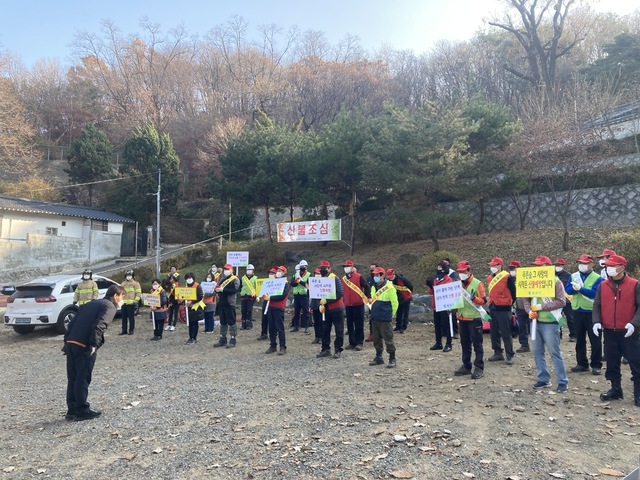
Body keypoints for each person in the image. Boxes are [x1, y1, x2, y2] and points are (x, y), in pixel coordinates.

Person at [63, 285, 125, 421]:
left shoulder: (91, 303)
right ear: (116, 296)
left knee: (72, 378)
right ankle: (82, 410)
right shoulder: (109, 306)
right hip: (84, 345)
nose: (122, 301)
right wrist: (93, 345)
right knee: (82, 377)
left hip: (71, 343)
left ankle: (71, 410)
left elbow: (72, 323)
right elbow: (99, 325)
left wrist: (66, 341)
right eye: (122, 297)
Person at [592, 254, 640, 406]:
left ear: (622, 267)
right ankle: (616, 389)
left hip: (628, 332)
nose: (608, 269)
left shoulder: (635, 285)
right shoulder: (603, 285)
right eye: (607, 266)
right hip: (609, 331)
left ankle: (638, 393)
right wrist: (596, 321)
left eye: (612, 266)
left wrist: (634, 323)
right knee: (612, 362)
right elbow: (597, 305)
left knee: (635, 362)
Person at [524, 256, 569, 393]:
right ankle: (543, 378)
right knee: (537, 351)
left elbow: (562, 302)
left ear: (548, 267)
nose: (537, 269)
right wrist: (529, 311)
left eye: (540, 266)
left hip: (550, 322)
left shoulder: (556, 282)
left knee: (555, 352)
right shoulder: (530, 281)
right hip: (535, 322)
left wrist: (541, 306)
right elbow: (525, 299)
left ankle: (562, 381)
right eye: (536, 266)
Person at [565, 254, 603, 376]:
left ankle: (596, 365)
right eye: (580, 263)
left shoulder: (598, 278)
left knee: (595, 340)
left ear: (591, 264)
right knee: (579, 339)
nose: (581, 265)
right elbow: (568, 290)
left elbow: (594, 294)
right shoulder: (574, 276)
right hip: (577, 311)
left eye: (584, 263)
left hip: (592, 312)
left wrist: (580, 289)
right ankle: (581, 363)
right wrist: (574, 289)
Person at [453, 261, 486, 379]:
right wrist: (451, 307)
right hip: (462, 317)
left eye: (463, 272)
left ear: (469, 271)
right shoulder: (457, 285)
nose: (461, 274)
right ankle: (466, 365)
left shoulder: (478, 284)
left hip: (474, 318)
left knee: (477, 343)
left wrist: (475, 299)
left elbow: (483, 301)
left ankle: (479, 367)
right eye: (459, 272)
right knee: (465, 343)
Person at [486, 257, 517, 365]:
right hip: (493, 306)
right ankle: (497, 352)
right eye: (491, 266)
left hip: (504, 308)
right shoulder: (490, 278)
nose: (492, 268)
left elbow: (514, 292)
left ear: (500, 266)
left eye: (494, 265)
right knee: (493, 332)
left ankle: (509, 354)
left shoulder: (507, 277)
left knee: (505, 332)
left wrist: (508, 302)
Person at [368, 267, 399, 368]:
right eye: (374, 275)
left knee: (388, 338)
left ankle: (392, 358)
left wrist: (392, 314)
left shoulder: (389, 287)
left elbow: (395, 302)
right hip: (375, 316)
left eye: (377, 275)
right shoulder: (373, 287)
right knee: (376, 339)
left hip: (385, 316)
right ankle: (379, 357)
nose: (375, 277)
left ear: (382, 275)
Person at [316, 260, 345, 359]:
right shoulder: (319, 280)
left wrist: (327, 300)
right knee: (325, 329)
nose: (322, 270)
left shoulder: (335, 278)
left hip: (336, 308)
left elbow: (340, 293)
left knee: (339, 330)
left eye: (324, 269)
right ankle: (325, 349)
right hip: (325, 309)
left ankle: (338, 349)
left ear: (329, 269)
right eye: (321, 269)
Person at [342, 260, 371, 351]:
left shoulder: (359, 277)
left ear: (352, 267)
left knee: (359, 323)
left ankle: (359, 342)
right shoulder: (343, 279)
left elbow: (366, 286)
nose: (346, 268)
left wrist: (368, 296)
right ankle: (352, 342)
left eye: (348, 266)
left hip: (358, 304)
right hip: (348, 304)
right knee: (350, 324)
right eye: (345, 267)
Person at [426, 261, 454, 352]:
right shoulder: (436, 279)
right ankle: (438, 343)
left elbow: (447, 291)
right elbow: (431, 292)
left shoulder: (448, 279)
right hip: (436, 305)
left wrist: (436, 287)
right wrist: (431, 286)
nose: (438, 270)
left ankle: (448, 343)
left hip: (444, 305)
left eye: (440, 268)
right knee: (437, 325)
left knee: (446, 325)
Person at [264, 265, 291, 355]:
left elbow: (282, 296)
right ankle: (273, 346)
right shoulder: (272, 282)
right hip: (270, 307)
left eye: (280, 271)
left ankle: (283, 347)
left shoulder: (286, 284)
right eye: (277, 270)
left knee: (280, 328)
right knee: (271, 328)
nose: (278, 272)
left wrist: (270, 297)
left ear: (284, 273)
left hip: (279, 307)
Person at [213, 263, 241, 348]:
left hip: (230, 303)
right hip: (222, 302)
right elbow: (217, 287)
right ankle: (223, 338)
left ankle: (233, 339)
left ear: (231, 270)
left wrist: (223, 289)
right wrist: (217, 290)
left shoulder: (235, 279)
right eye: (225, 269)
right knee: (223, 321)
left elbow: (235, 290)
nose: (226, 271)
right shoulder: (222, 279)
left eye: (227, 269)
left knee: (231, 321)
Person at [554, 258, 576, 342]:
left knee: (570, 318)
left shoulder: (569, 275)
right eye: (556, 265)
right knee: (557, 317)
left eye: (559, 265)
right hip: (556, 300)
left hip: (567, 300)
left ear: (563, 266)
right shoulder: (551, 274)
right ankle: (558, 334)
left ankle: (573, 335)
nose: (557, 267)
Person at [510, 261, 530, 353]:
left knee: (533, 327)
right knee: (521, 327)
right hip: (518, 306)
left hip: (530, 306)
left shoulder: (527, 278)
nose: (512, 270)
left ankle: (538, 344)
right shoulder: (510, 279)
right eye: (510, 269)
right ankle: (524, 344)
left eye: (513, 268)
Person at [387, 269, 413, 333]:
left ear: (394, 274)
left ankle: (403, 327)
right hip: (398, 298)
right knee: (398, 313)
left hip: (406, 298)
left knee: (405, 313)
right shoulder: (389, 281)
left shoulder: (402, 279)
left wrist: (407, 295)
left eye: (391, 277)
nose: (390, 279)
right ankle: (398, 326)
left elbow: (410, 286)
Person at [183, 272, 205, 345]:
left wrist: (192, 302)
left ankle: (194, 338)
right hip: (188, 307)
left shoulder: (197, 286)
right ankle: (190, 337)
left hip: (196, 307)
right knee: (190, 322)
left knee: (195, 322)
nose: (188, 280)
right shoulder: (186, 286)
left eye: (190, 278)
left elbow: (200, 296)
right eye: (187, 278)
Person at [289, 260, 311, 333]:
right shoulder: (296, 275)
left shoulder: (309, 275)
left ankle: (306, 327)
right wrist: (295, 281)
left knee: (306, 312)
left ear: (306, 267)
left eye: (304, 266)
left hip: (304, 296)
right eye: (301, 267)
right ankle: (296, 326)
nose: (302, 268)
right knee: (296, 312)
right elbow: (292, 283)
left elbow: (308, 285)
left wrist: (300, 281)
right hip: (296, 295)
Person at [258, 267, 277, 341]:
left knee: (273, 319)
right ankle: (264, 333)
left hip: (274, 302)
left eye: (272, 273)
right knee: (264, 318)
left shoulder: (278, 283)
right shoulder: (266, 282)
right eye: (270, 273)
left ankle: (274, 333)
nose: (270, 274)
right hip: (266, 301)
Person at [119, 269, 141, 336]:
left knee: (131, 318)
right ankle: (124, 330)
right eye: (127, 275)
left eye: (130, 275)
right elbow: (120, 293)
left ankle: (131, 330)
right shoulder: (123, 284)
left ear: (132, 276)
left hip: (131, 304)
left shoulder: (136, 284)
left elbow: (138, 293)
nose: (128, 277)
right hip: (123, 303)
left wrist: (136, 301)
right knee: (124, 318)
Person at [240, 264, 257, 330]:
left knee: (249, 310)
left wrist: (257, 296)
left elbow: (257, 288)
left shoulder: (255, 278)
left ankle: (249, 324)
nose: (249, 271)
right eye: (248, 270)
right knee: (243, 310)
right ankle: (243, 324)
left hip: (251, 296)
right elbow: (240, 287)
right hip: (244, 296)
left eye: (250, 270)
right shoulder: (243, 278)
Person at [310, 268, 323, 344]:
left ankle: (321, 337)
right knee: (316, 322)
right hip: (315, 304)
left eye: (318, 274)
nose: (317, 275)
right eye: (316, 274)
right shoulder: (312, 283)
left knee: (322, 322)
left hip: (322, 304)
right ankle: (317, 336)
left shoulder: (324, 283)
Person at [365, 263, 378, 342]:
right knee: (371, 318)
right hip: (370, 302)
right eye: (371, 270)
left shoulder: (380, 279)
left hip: (379, 302)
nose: (372, 271)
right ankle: (371, 334)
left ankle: (379, 334)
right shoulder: (368, 280)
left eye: (373, 269)